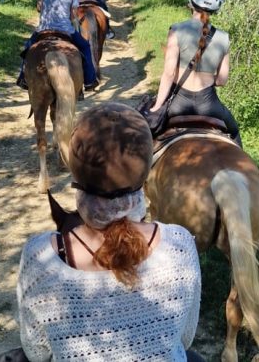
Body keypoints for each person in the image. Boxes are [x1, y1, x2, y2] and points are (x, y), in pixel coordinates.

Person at [15, 103, 203, 361]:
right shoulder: (179, 244)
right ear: (144, 171)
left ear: (77, 171)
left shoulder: (40, 257)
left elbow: (36, 352)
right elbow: (185, 338)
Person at [150, 0, 242, 146]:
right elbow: (222, 80)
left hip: (179, 104)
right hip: (209, 105)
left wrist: (157, 106)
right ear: (217, 8)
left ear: (192, 1)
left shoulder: (176, 30)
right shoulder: (224, 38)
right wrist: (207, 76)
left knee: (148, 132)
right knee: (234, 131)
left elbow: (169, 74)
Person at [15, 0, 99, 90]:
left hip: (43, 29)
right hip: (66, 30)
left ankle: (23, 77)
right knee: (84, 46)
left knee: (28, 47)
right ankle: (89, 80)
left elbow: (39, 7)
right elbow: (72, 16)